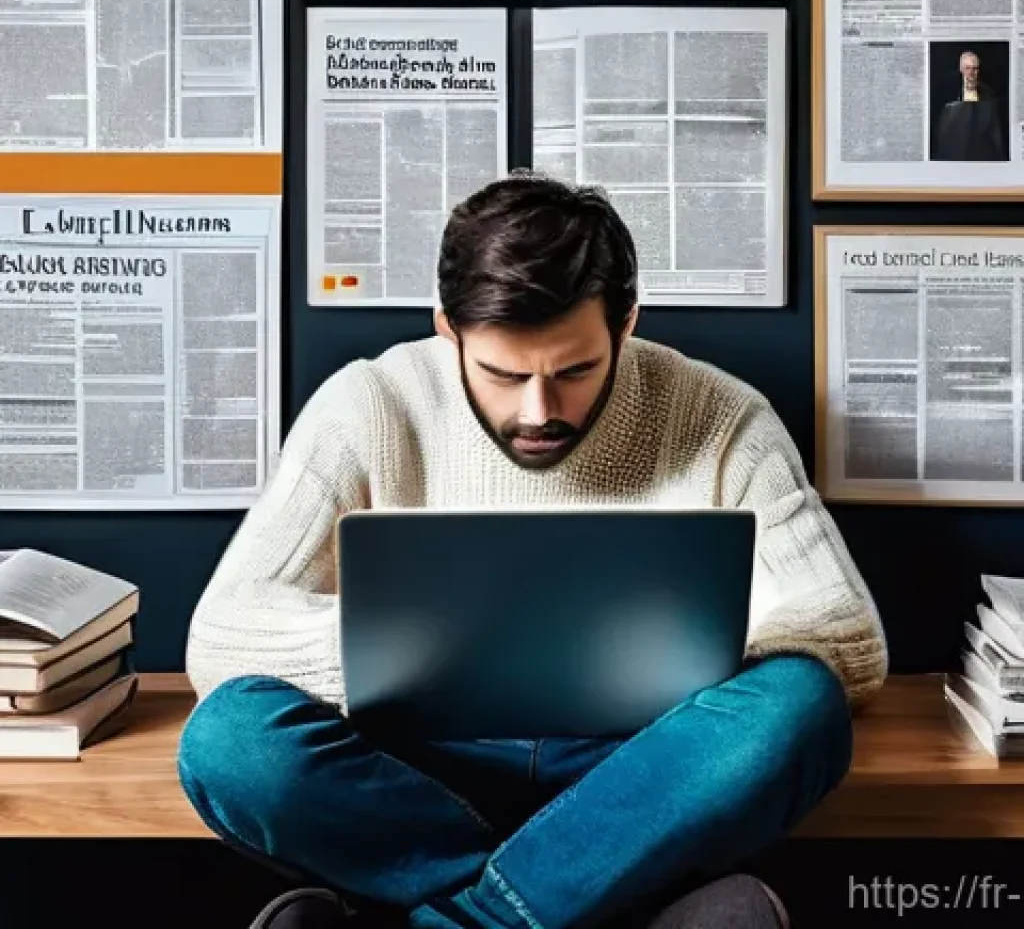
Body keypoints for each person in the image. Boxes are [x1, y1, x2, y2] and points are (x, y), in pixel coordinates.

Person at [177, 173, 888, 929]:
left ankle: (466, 916)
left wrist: (689, 658)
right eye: (503, 374)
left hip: (643, 770)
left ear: (627, 325)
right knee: (231, 742)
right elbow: (223, 635)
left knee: (799, 708)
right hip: (416, 773)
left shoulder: (720, 414)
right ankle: (574, 894)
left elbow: (845, 633)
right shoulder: (370, 403)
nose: (538, 410)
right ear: (448, 330)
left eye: (574, 371)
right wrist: (427, 652)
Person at [931, 50, 1007, 162]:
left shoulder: (989, 95)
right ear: (961, 69)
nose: (971, 73)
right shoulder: (947, 93)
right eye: (967, 68)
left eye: (974, 68)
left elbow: (995, 134)